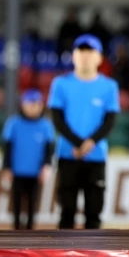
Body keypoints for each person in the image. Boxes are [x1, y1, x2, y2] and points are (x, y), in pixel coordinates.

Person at [48, 34, 120, 230]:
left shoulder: (109, 86)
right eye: (80, 51)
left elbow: (110, 121)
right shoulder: (60, 84)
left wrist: (89, 143)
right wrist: (80, 144)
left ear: (99, 58)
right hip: (68, 154)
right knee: (67, 212)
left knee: (94, 214)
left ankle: (93, 251)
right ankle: (63, 251)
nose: (85, 55)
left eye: (90, 51)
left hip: (95, 156)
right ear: (73, 56)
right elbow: (57, 119)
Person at [1, 89, 55, 230]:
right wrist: (6, 167)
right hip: (17, 171)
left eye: (36, 104)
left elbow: (49, 149)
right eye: (29, 104)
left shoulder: (46, 125)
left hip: (35, 172)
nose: (32, 108)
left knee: (33, 203)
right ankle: (16, 229)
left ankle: (30, 230)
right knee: (17, 203)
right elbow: (7, 147)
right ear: (22, 105)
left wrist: (47, 166)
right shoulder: (13, 123)